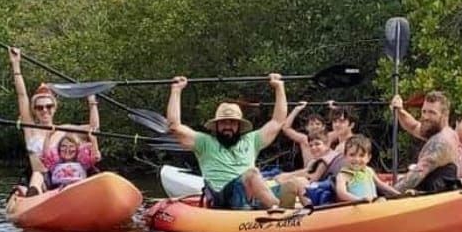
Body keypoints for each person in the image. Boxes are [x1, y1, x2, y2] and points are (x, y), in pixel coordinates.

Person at [166, 74, 302, 210]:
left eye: (232, 123)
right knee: (252, 173)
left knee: (296, 183)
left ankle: (307, 213)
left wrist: (279, 87)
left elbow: (278, 121)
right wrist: (176, 90)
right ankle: (279, 210)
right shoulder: (203, 142)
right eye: (224, 122)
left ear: (239, 126)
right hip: (223, 197)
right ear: (217, 126)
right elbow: (174, 126)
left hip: (251, 194)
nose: (228, 126)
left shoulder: (252, 140)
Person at [9, 47, 98, 196]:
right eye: (39, 107)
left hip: (63, 179)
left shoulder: (65, 130)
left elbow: (94, 129)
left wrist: (92, 102)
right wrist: (16, 64)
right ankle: (32, 196)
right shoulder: (29, 128)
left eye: (48, 106)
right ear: (34, 110)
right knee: (37, 175)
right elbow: (22, 96)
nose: (44, 110)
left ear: (54, 108)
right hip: (41, 182)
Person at [389, 91, 462, 194]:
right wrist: (400, 110)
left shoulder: (441, 141)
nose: (426, 117)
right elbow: (413, 126)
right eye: (424, 111)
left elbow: (415, 176)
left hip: (437, 202)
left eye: (432, 112)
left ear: (445, 115)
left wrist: (387, 194)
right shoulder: (443, 131)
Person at [335, 135, 400, 202]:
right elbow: (341, 193)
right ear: (345, 156)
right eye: (352, 155)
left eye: (361, 155)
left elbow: (381, 185)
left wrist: (397, 194)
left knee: (382, 200)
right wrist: (360, 200)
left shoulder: (369, 170)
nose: (357, 159)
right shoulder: (343, 175)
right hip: (357, 207)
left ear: (368, 158)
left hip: (372, 205)